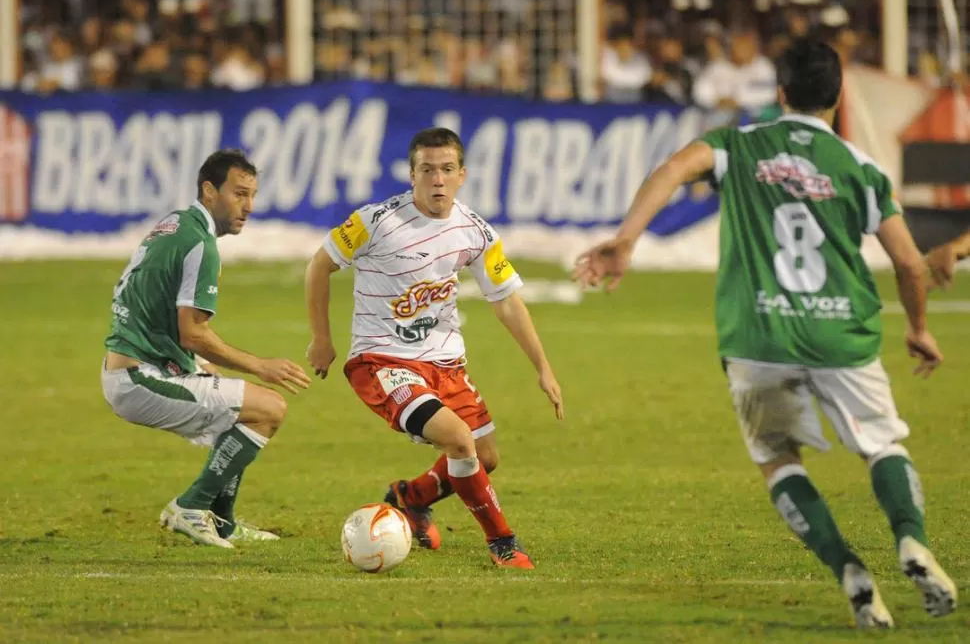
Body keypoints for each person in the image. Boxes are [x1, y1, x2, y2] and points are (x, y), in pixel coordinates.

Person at [573, 41, 957, 627]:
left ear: (780, 93)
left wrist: (626, 240)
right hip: (841, 335)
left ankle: (847, 568)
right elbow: (908, 264)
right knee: (882, 442)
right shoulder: (860, 166)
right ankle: (910, 539)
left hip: (757, 336)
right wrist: (920, 328)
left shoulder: (738, 143)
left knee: (778, 457)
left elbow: (673, 168)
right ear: (839, 97)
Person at [305, 128, 564, 569]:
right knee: (461, 443)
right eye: (427, 170)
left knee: (485, 457)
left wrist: (543, 366)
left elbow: (506, 301)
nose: (437, 180)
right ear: (412, 175)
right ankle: (503, 542)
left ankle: (411, 496)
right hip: (382, 360)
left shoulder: (475, 231)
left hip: (445, 363)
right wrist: (322, 338)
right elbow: (318, 266)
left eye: (446, 170)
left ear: (461, 175)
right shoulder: (375, 221)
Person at [101, 149, 311, 549]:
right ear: (209, 190)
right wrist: (259, 365)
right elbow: (193, 333)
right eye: (239, 194)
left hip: (133, 365)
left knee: (240, 409)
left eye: (252, 195)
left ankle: (222, 521)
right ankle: (191, 505)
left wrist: (193, 365)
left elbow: (151, 301)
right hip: (138, 378)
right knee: (270, 408)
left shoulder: (174, 223)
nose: (248, 207)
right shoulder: (201, 245)